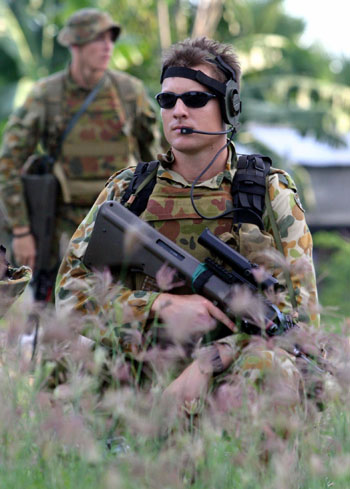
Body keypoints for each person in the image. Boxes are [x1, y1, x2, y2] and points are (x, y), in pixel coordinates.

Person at [55, 37, 319, 405]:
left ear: (229, 107)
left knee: (270, 366)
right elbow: (70, 294)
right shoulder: (130, 190)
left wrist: (209, 362)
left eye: (194, 99)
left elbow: (300, 322)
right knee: (65, 365)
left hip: (231, 375)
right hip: (139, 366)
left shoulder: (267, 194)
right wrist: (159, 305)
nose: (178, 110)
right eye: (167, 100)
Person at [0, 8, 159, 288]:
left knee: (117, 308)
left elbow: (157, 160)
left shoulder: (129, 92)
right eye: (97, 39)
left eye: (111, 38)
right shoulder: (46, 95)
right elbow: (8, 162)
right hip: (62, 228)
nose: (107, 46)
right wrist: (22, 231)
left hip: (121, 220)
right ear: (75, 44)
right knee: (56, 310)